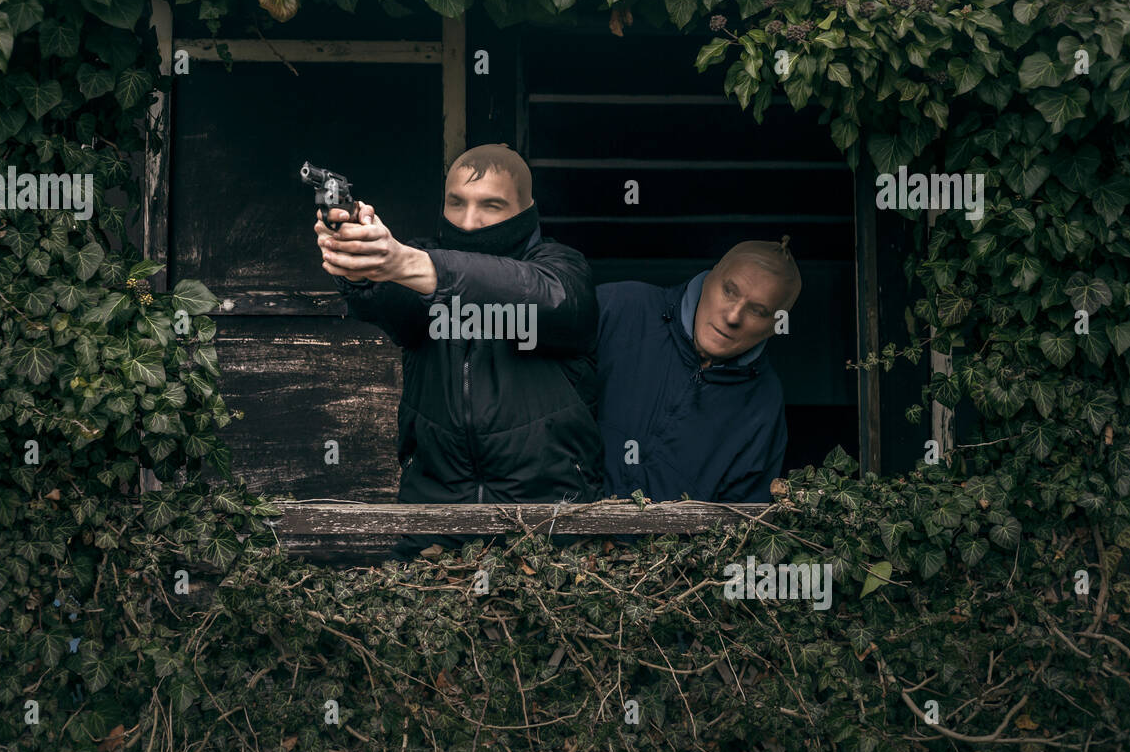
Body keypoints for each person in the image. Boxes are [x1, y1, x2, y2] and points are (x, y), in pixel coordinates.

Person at [313, 144, 604, 554]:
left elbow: (549, 299)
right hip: (433, 522)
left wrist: (412, 265)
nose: (469, 222)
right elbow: (391, 304)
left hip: (548, 531)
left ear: (526, 209)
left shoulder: (562, 267)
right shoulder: (415, 260)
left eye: (492, 205)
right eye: (456, 203)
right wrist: (360, 266)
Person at [595, 237, 802, 504]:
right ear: (709, 276)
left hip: (666, 546)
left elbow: (740, 524)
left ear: (776, 325)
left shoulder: (763, 404)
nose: (733, 316)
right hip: (554, 535)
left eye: (758, 311)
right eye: (729, 291)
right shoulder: (621, 306)